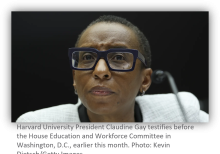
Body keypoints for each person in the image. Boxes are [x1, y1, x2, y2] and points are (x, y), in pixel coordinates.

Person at [16, 15, 209, 123]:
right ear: (74, 76)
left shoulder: (181, 113)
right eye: (88, 57)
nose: (100, 70)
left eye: (118, 58)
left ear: (145, 80)